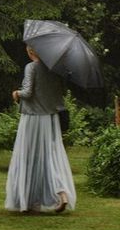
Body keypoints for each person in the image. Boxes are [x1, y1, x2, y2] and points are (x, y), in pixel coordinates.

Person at [5, 45, 76, 213]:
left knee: (28, 156)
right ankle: (61, 192)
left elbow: (28, 92)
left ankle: (26, 200)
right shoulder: (55, 70)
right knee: (51, 154)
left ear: (31, 52)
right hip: (51, 118)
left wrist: (16, 93)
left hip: (33, 118)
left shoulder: (31, 67)